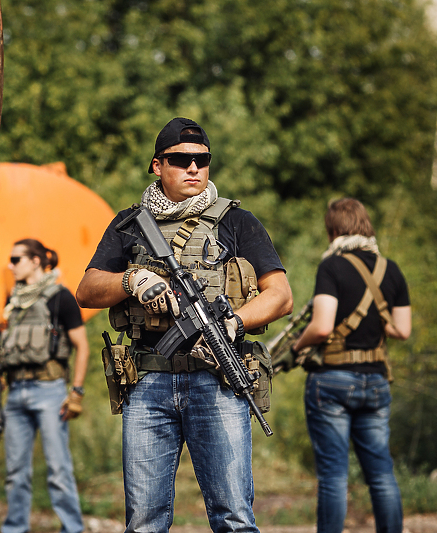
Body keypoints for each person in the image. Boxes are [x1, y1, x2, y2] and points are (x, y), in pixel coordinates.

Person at [75, 117, 293, 533]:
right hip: (148, 384)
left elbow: (281, 295)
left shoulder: (236, 221)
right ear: (157, 165)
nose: (193, 168)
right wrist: (131, 280)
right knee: (143, 523)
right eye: (181, 160)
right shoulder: (129, 223)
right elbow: (86, 291)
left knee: (234, 518)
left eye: (202, 159)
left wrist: (234, 323)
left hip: (217, 380)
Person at [290, 197, 411, 533]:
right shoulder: (391, 268)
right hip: (375, 382)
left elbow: (323, 326)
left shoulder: (332, 266)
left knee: (333, 477)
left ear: (333, 230)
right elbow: (402, 329)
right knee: (382, 474)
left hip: (332, 381)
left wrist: (299, 345)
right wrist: (372, 319)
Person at [0, 238, 90, 533]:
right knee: (15, 473)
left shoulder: (59, 297)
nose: (10, 266)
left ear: (36, 261)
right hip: (15, 395)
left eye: (16, 260)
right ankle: (14, 529)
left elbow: (82, 346)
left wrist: (76, 391)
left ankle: (72, 528)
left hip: (49, 392)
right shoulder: (13, 301)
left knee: (58, 469)